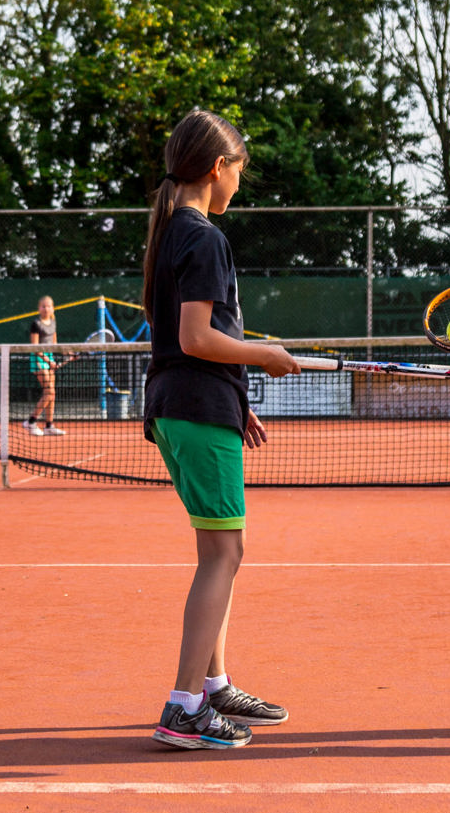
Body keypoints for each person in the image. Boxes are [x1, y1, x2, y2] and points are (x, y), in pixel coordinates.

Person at [140, 108, 299, 750]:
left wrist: (238, 395)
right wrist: (263, 355)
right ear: (217, 168)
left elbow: (194, 344)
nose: (240, 183)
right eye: (239, 171)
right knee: (224, 555)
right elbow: (197, 336)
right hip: (193, 409)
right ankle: (183, 705)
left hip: (188, 406)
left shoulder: (172, 233)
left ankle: (214, 686)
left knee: (217, 553)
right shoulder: (203, 237)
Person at [25, 296, 65, 435]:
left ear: (53, 308)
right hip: (38, 358)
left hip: (49, 358)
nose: (46, 308)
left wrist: (69, 352)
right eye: (43, 306)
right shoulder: (35, 324)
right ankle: (31, 421)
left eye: (48, 306)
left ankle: (49, 426)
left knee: (51, 394)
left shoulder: (53, 322)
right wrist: (48, 361)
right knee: (49, 392)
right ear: (38, 308)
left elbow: (55, 344)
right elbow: (35, 347)